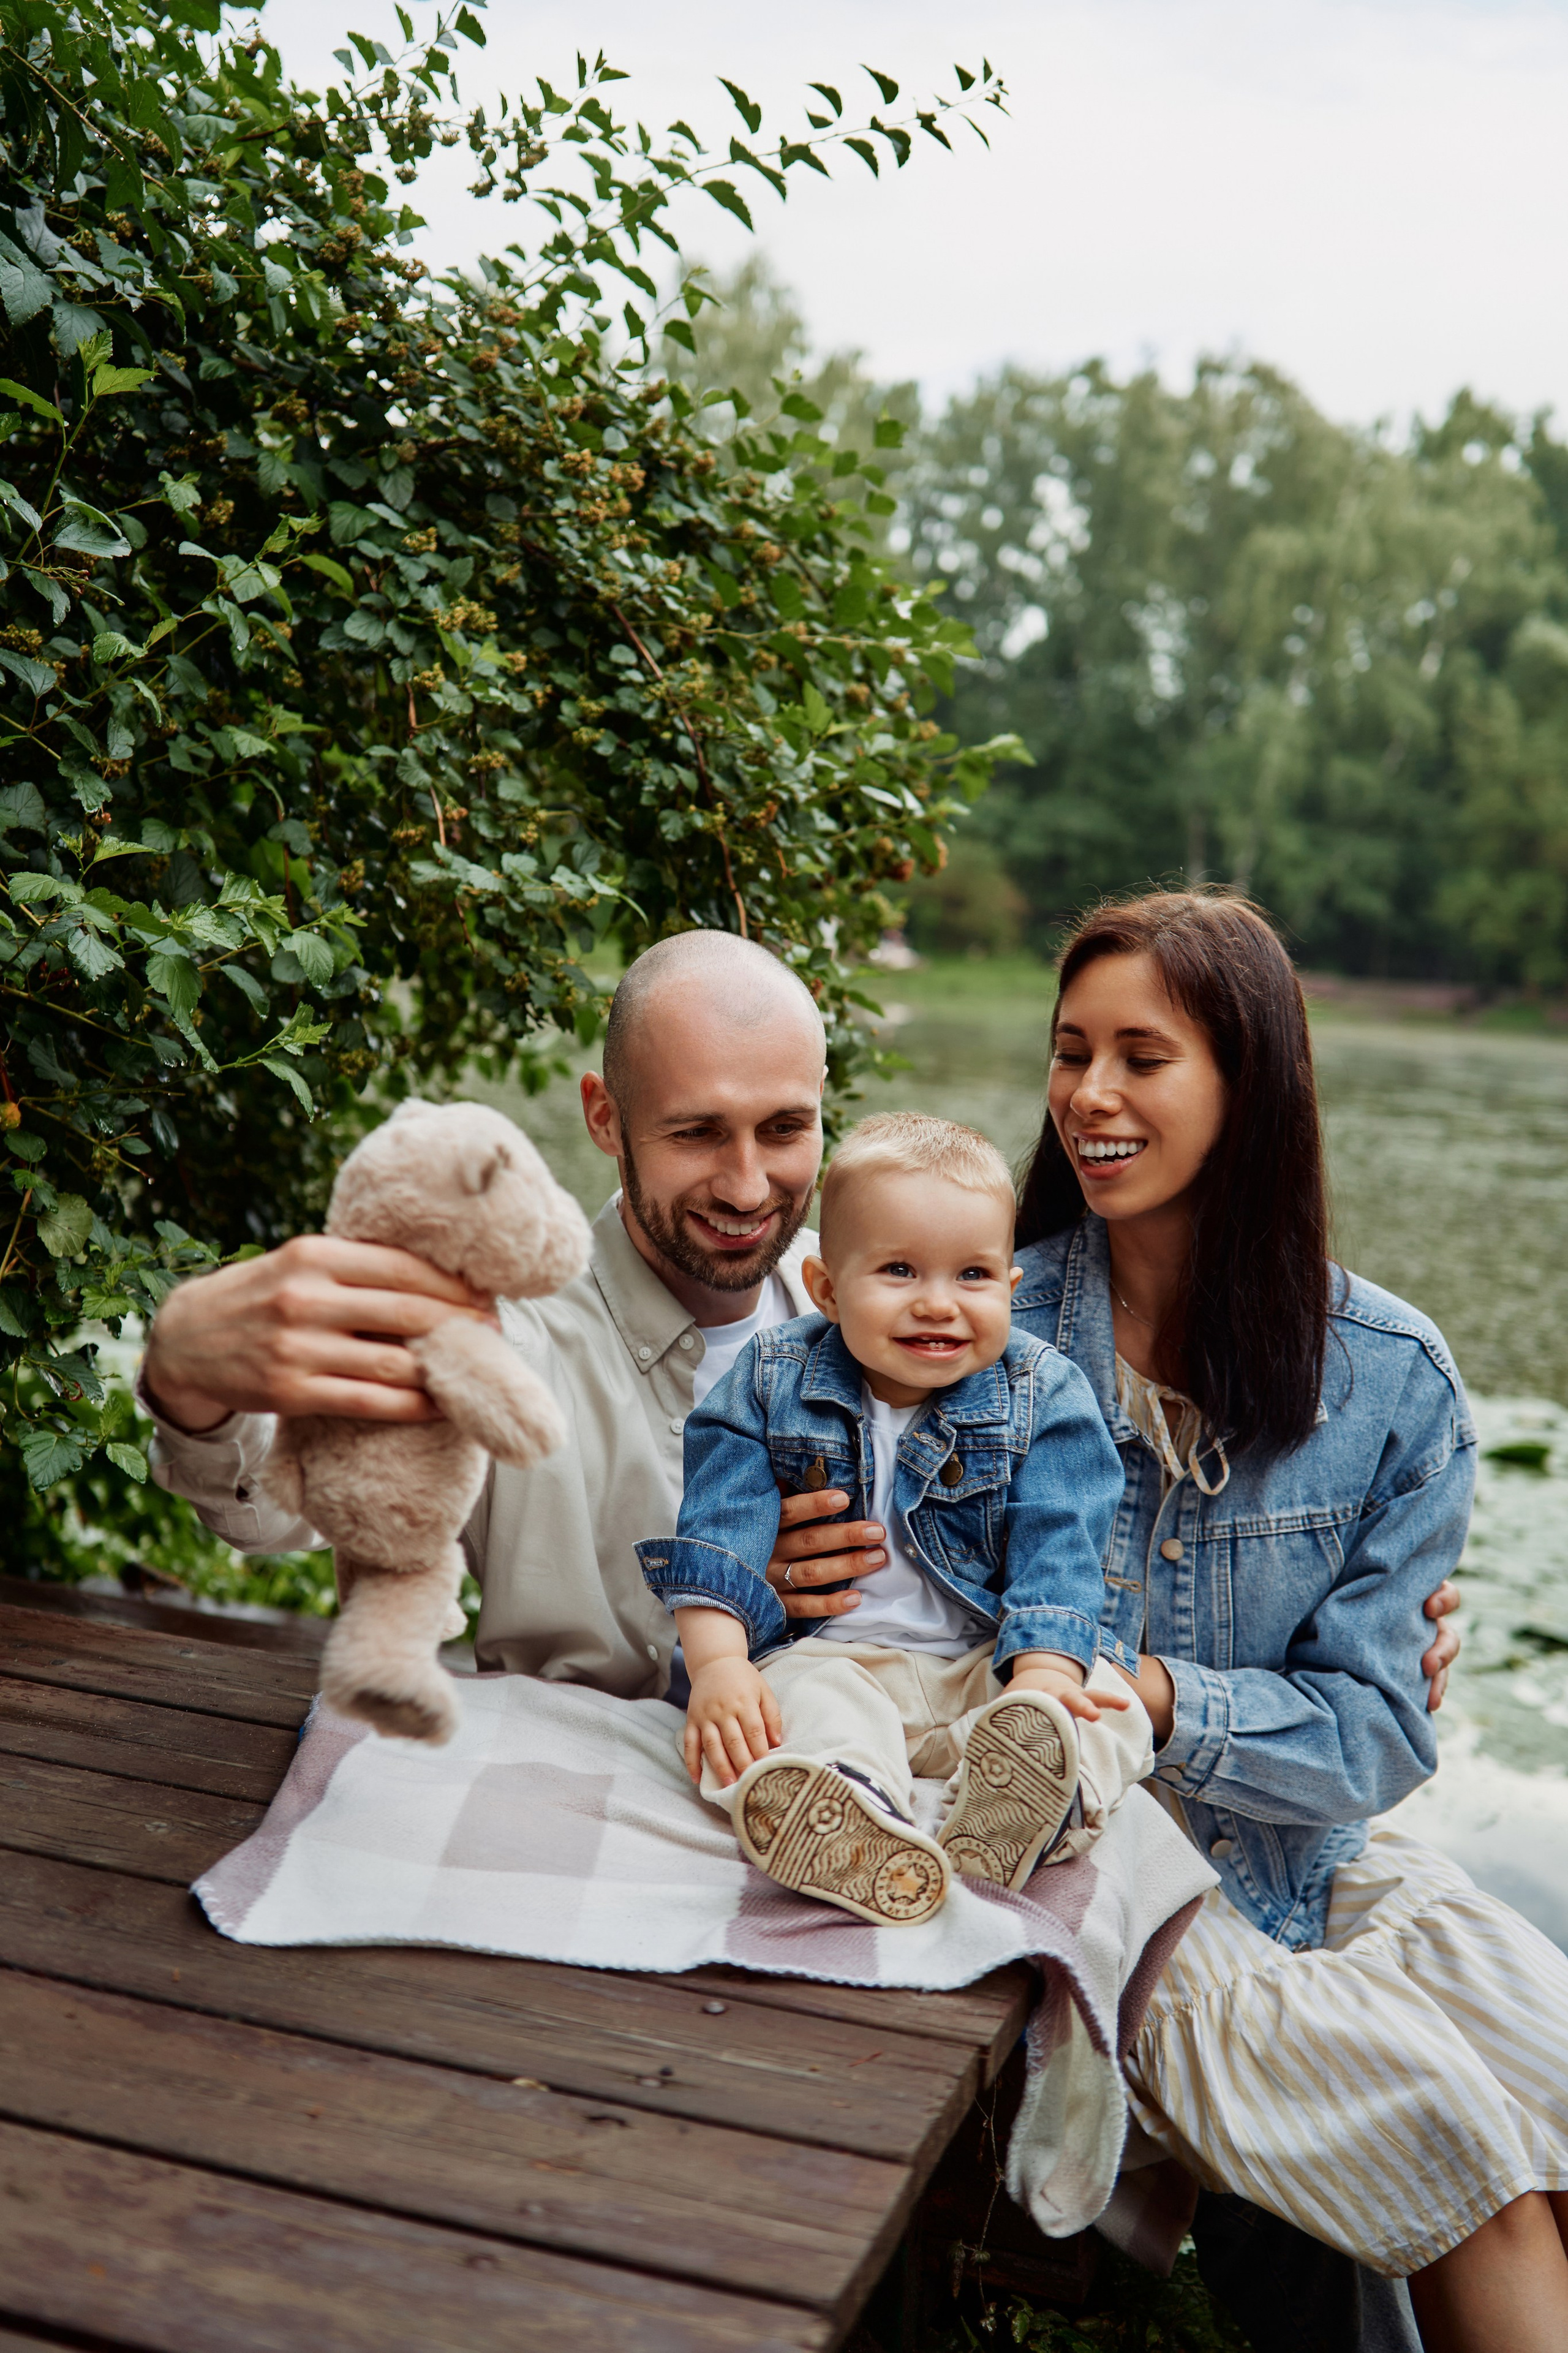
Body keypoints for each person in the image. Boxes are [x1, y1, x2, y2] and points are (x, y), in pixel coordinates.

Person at [973, 889, 1564, 2353]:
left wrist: (1175, 1696)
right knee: (1468, 2165)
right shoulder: (973, 1324)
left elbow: (1371, 1734)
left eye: (1139, 1056)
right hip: (1095, 1883)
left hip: (1307, 1854)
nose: (1087, 1096)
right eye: (1067, 1052)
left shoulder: (1391, 1379)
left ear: (1250, 1083)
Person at [636, 1113, 1150, 1925]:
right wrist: (719, 1665)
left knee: (1109, 1703)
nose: (938, 1305)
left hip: (990, 1665)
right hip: (837, 1657)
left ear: (1011, 1292)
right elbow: (719, 1528)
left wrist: (1047, 1676)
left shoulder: (1043, 1392)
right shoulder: (772, 1381)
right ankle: (848, 1813)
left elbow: (1063, 1541)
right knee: (786, 1714)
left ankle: (1017, 1804)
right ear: (828, 1287)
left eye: (973, 1275)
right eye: (901, 1270)